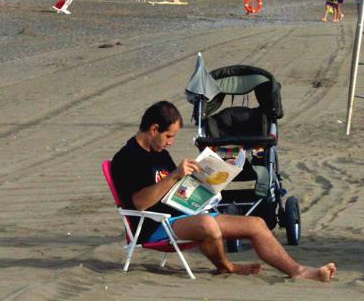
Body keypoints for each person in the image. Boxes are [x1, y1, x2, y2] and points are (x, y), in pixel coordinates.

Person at [110, 101, 337, 281]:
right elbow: (140, 203)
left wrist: (203, 183)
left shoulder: (158, 152)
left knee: (256, 224)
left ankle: (299, 271)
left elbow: (175, 188)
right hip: (155, 225)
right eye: (169, 136)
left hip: (183, 213)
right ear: (154, 129)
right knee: (207, 224)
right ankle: (226, 266)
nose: (170, 143)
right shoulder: (127, 158)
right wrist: (175, 175)